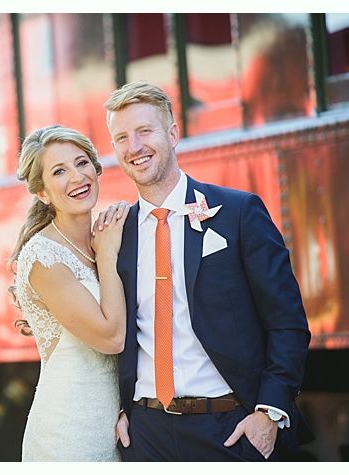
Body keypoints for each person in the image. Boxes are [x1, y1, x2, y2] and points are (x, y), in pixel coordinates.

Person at [99, 81, 312, 461]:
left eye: (145, 131)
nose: (134, 147)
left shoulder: (238, 213)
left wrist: (268, 413)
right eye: (121, 138)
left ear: (172, 134)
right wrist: (116, 410)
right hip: (146, 434)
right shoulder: (117, 234)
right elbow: (108, 332)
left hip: (227, 427)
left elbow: (288, 322)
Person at [8, 125, 130, 461]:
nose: (77, 177)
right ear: (42, 192)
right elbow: (112, 337)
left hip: (115, 426)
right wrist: (106, 256)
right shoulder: (42, 257)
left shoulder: (102, 239)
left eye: (82, 163)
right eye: (59, 171)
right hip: (68, 432)